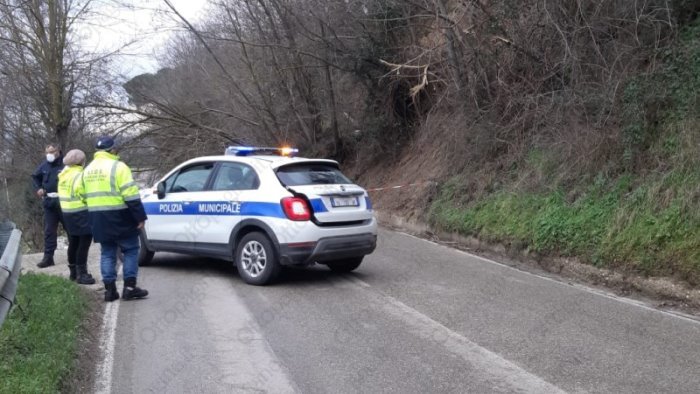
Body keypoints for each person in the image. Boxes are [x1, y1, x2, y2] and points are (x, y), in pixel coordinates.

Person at [82, 136, 148, 302]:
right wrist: (140, 217)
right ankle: (130, 288)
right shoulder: (119, 167)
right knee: (131, 250)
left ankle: (110, 291)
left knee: (107, 253)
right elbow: (131, 195)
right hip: (121, 216)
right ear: (112, 150)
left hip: (98, 217)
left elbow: (82, 195)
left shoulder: (88, 169)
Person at [57, 149, 96, 285]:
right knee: (84, 243)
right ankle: (82, 273)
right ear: (81, 162)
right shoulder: (80, 175)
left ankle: (73, 272)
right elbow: (83, 194)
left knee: (73, 242)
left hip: (67, 212)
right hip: (81, 211)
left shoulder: (63, 174)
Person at [31, 143, 65, 268]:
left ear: (58, 151)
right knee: (49, 231)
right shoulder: (44, 165)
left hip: (64, 202)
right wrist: (39, 188)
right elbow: (35, 177)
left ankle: (76, 256)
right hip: (49, 202)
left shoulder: (65, 164)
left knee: (71, 230)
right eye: (47, 152)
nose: (49, 155)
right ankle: (48, 258)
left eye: (52, 152)